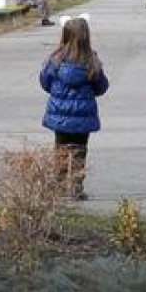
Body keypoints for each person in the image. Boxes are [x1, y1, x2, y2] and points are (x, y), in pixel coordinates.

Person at [39, 16, 109, 201]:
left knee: (60, 149)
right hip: (83, 116)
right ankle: (77, 186)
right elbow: (102, 87)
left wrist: (56, 93)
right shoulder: (92, 61)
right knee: (80, 151)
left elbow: (44, 81)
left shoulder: (55, 60)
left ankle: (59, 185)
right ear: (86, 36)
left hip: (59, 114)